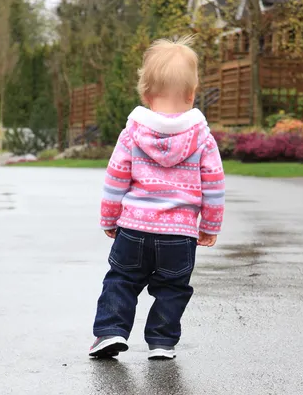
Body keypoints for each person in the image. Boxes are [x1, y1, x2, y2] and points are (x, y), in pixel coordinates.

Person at [89, 36, 225, 360]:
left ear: (147, 95)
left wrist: (109, 218)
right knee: (173, 288)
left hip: (134, 228)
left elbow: (115, 178)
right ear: (191, 95)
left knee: (121, 279)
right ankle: (162, 341)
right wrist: (209, 225)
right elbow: (215, 185)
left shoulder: (133, 133)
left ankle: (110, 331)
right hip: (179, 235)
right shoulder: (202, 138)